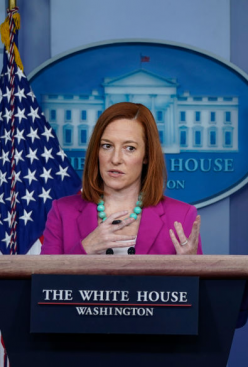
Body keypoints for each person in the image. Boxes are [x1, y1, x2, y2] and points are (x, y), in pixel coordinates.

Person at [41, 102, 202, 255]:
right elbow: (44, 282)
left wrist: (190, 268)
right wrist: (85, 249)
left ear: (146, 155)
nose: (116, 159)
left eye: (129, 148)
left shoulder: (181, 216)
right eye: (107, 146)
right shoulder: (62, 212)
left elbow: (196, 283)